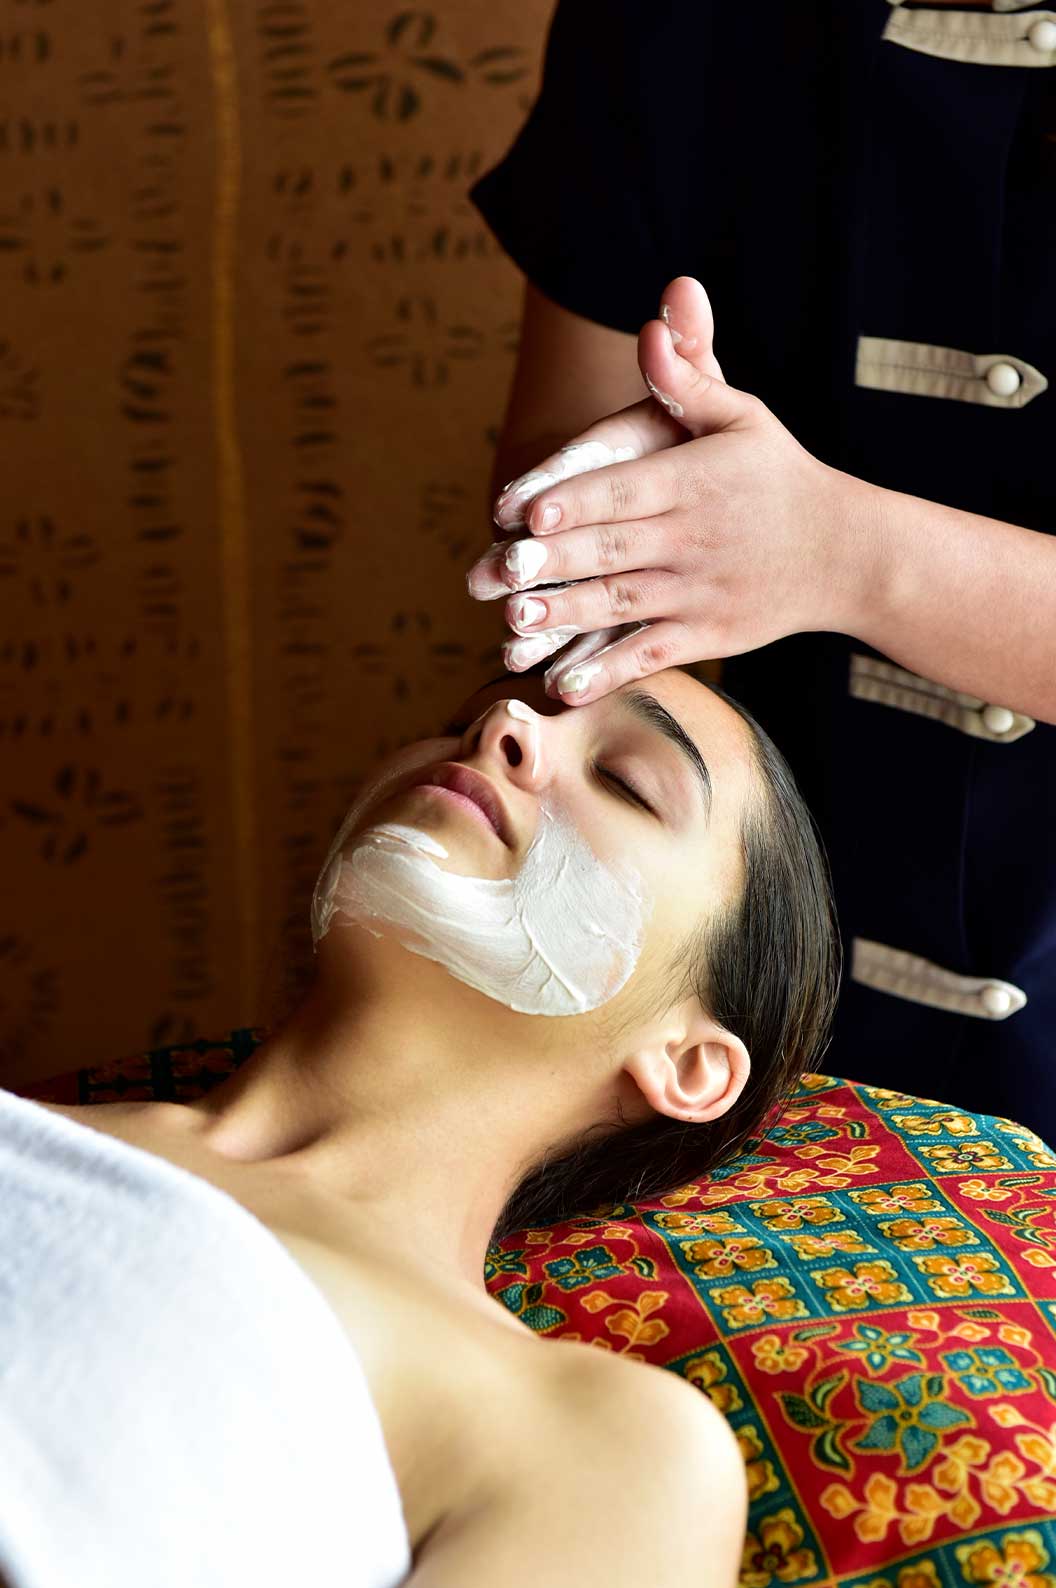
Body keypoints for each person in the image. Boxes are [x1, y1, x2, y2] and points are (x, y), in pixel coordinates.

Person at [4, 660, 838, 1587]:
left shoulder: (591, 1444)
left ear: (687, 1065)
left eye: (627, 782)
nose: (507, 726)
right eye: (475, 712)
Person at [466, 0, 1056, 1137]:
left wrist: (843, 555)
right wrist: (623, 518)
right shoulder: (664, 26)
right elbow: (555, 548)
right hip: (765, 1015)